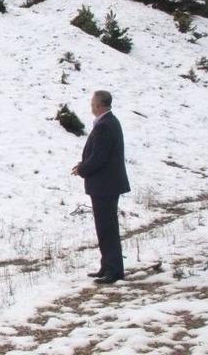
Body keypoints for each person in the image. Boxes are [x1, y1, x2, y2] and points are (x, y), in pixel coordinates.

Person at [71, 90, 130, 284]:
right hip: (106, 184)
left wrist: (82, 169)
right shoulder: (109, 122)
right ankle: (107, 266)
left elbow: (99, 157)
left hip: (105, 185)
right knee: (105, 227)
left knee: (107, 228)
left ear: (99, 105)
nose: (91, 106)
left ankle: (113, 270)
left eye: (92, 103)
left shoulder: (105, 125)